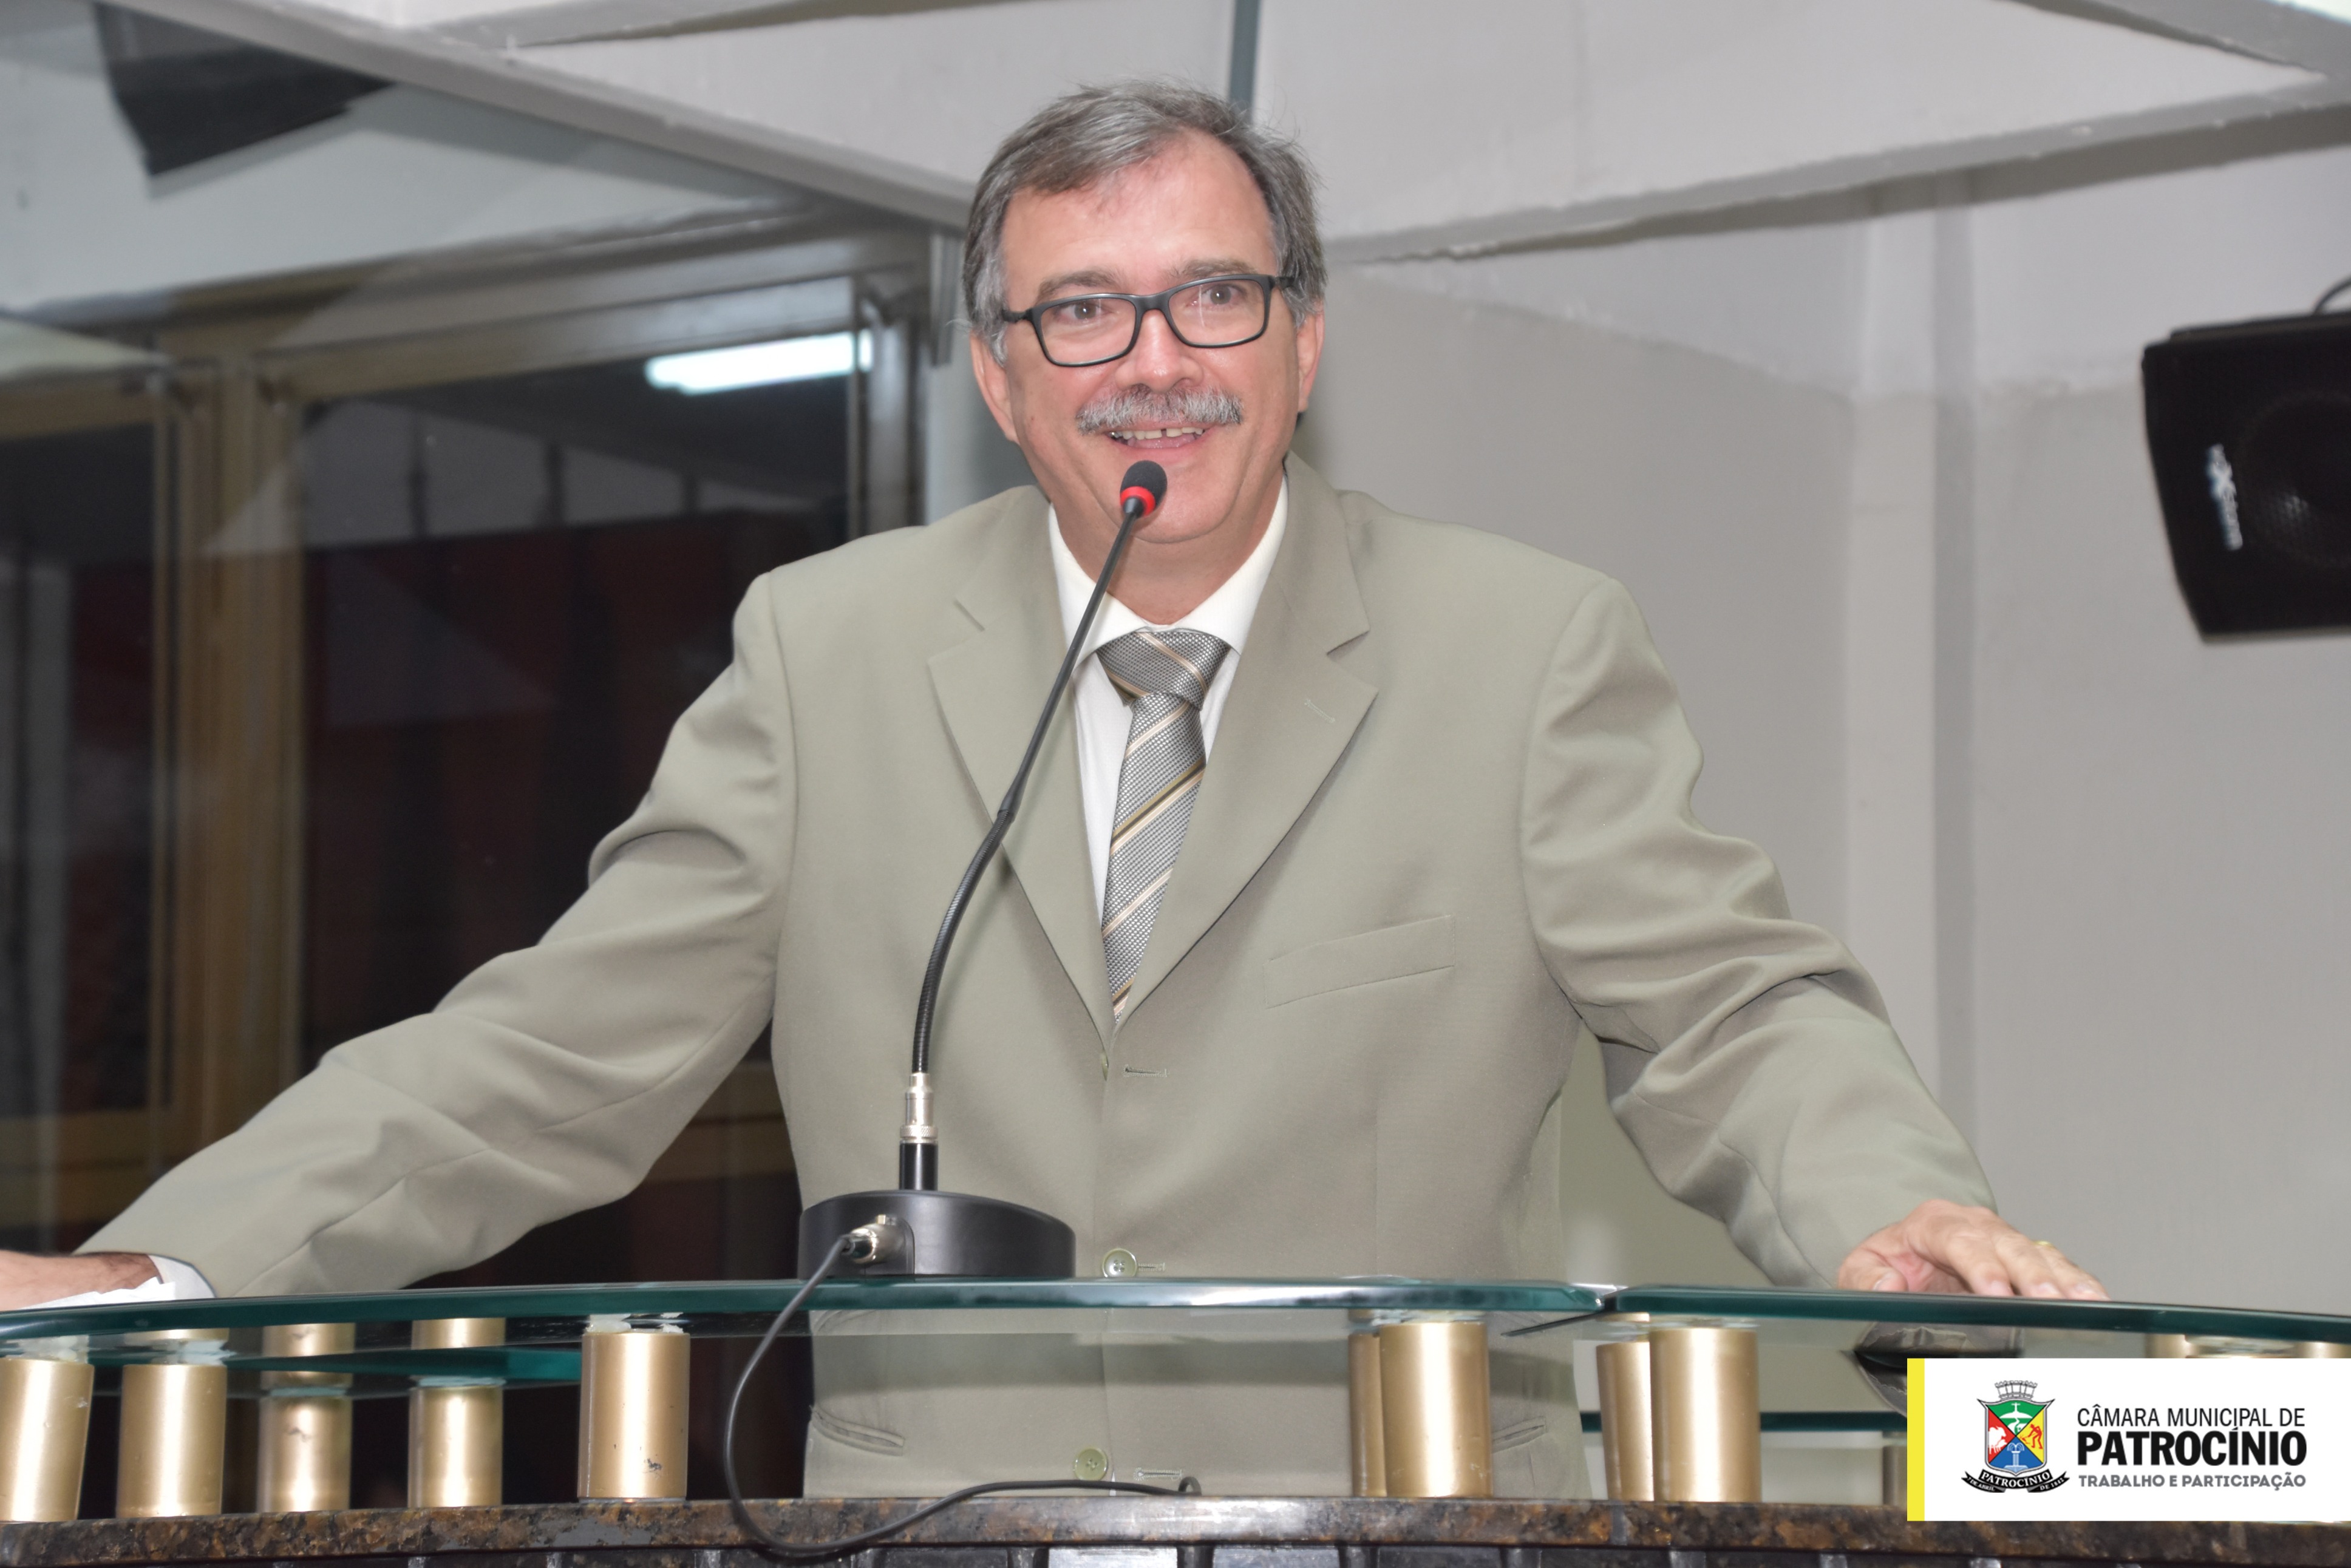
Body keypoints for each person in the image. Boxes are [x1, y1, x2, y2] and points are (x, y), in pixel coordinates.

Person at [0, 82, 2101, 1492]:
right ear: (1002, 377)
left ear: (1302, 342)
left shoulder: (1522, 646)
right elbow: (548, 1052)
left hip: (1405, 1524)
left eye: (1211, 296)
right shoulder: (824, 652)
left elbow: (1732, 1013)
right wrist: (169, 1271)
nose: (1152, 359)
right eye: (1081, 312)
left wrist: (1890, 1211)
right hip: (942, 1528)